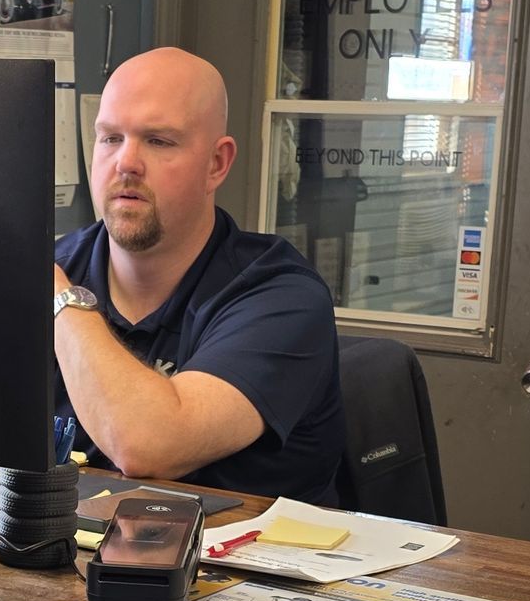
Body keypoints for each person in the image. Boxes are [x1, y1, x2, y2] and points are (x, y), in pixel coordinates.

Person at [52, 46, 346, 498]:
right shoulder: (58, 266)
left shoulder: (281, 295)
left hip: (234, 564)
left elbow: (146, 447)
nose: (125, 163)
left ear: (217, 164)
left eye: (158, 141)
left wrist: (60, 299)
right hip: (57, 559)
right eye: (110, 138)